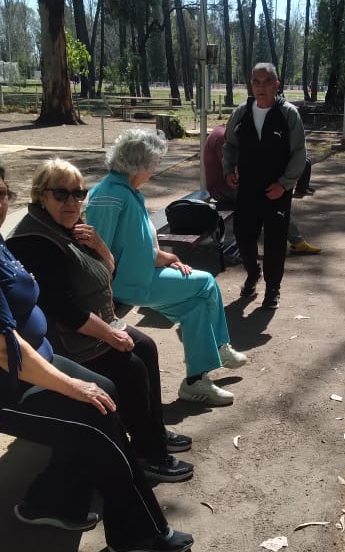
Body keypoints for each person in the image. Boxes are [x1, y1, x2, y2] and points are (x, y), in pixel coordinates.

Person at [0, 150, 193, 552]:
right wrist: (73, 385)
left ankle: (50, 501)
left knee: (106, 391)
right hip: (2, 386)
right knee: (94, 413)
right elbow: (4, 351)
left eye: (1, 193)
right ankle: (136, 532)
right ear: (42, 195)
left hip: (38, 360)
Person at [8, 158, 193, 484]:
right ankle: (149, 454)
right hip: (64, 339)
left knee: (146, 347)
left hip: (91, 324)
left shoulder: (71, 228)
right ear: (41, 195)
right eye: (61, 194)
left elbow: (106, 273)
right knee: (131, 367)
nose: (72, 202)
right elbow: (63, 309)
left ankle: (152, 431)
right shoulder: (35, 240)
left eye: (78, 194)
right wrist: (109, 334)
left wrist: (100, 247)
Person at [86, 129, 247, 407]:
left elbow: (133, 244)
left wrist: (166, 257)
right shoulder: (110, 195)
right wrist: (104, 298)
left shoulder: (126, 191)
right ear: (140, 163)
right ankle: (220, 346)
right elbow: (98, 249)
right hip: (129, 284)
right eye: (155, 162)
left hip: (142, 275)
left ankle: (195, 381)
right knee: (206, 282)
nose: (156, 168)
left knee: (196, 308)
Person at [222, 63, 308, 310]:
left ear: (276, 85)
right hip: (247, 188)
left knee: (275, 241)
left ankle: (273, 289)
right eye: (256, 82)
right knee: (243, 235)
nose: (261, 87)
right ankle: (253, 272)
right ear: (251, 85)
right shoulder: (241, 113)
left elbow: (299, 153)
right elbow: (229, 145)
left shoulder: (288, 114)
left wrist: (284, 184)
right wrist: (228, 169)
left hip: (277, 191)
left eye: (267, 81)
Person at [203, 123, 321, 255]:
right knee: (270, 200)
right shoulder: (222, 139)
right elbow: (236, 171)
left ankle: (293, 240)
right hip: (222, 189)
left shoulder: (226, 133)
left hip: (229, 186)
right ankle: (296, 241)